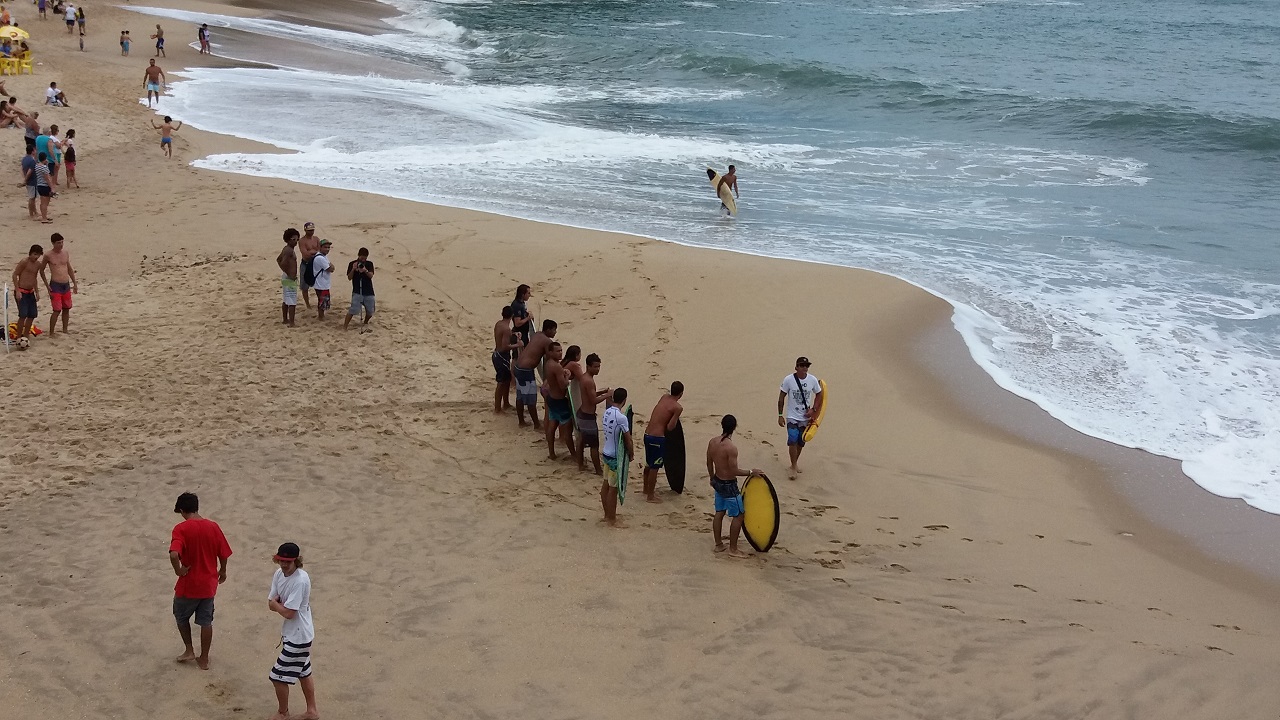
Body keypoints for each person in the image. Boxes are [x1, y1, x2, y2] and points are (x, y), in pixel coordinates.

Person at [169, 492, 232, 671]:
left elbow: (174, 554)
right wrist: (223, 570)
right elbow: (224, 553)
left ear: (182, 510)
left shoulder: (181, 529)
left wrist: (178, 570)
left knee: (181, 616)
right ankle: (204, 659)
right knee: (206, 621)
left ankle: (189, 650)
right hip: (208, 584)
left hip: (188, 585)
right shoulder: (213, 526)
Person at [266, 542, 318, 720]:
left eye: (287, 561)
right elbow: (271, 603)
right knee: (304, 672)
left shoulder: (300, 580)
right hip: (292, 633)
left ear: (296, 560)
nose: (283, 564)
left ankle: (283, 712)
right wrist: (277, 605)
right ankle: (312, 711)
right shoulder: (279, 574)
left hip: (299, 636)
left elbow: (288, 612)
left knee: (277, 676)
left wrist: (277, 605)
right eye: (281, 560)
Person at [707, 415, 760, 558]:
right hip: (729, 485)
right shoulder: (731, 448)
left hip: (717, 481)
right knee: (739, 515)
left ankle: (718, 545)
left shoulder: (712, 442)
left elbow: (709, 462)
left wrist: (712, 478)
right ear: (734, 427)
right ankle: (733, 549)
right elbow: (734, 471)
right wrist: (751, 472)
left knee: (719, 512)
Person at [778, 356, 823, 479]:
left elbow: (819, 394)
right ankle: (793, 466)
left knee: (801, 442)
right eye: (802, 366)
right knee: (792, 439)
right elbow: (781, 397)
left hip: (805, 417)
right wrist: (780, 415)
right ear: (796, 367)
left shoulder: (812, 380)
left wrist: (813, 410)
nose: (805, 368)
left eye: (807, 366)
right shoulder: (789, 380)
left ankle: (795, 463)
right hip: (792, 416)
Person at [642, 381, 684, 503]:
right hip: (657, 438)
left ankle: (645, 489)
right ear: (681, 394)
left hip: (647, 434)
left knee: (648, 463)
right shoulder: (677, 407)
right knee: (655, 466)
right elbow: (670, 427)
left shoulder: (664, 397)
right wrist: (675, 417)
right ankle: (650, 496)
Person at [513, 319, 558, 428]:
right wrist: (548, 379)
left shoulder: (537, 334)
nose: (555, 332)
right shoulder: (547, 342)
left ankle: (521, 421)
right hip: (526, 370)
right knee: (531, 398)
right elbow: (549, 359)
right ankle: (537, 424)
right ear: (548, 330)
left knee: (520, 396)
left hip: (518, 366)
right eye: (554, 330)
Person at [574, 353, 611, 475]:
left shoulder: (584, 378)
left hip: (582, 413)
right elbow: (593, 400)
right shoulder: (589, 381)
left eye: (599, 366)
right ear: (588, 366)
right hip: (588, 417)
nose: (598, 369)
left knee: (581, 440)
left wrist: (602, 392)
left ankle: (580, 464)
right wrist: (607, 395)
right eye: (595, 367)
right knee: (594, 445)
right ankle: (598, 470)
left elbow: (591, 394)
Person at [599, 388, 631, 528]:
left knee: (606, 484)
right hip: (614, 457)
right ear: (624, 400)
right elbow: (627, 439)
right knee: (613, 488)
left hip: (606, 452)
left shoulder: (607, 412)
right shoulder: (621, 418)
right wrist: (632, 453)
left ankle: (607, 515)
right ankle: (611, 519)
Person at [541, 341, 576, 460]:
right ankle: (574, 454)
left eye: (561, 350)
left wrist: (562, 373)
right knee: (567, 430)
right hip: (560, 401)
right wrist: (567, 376)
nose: (560, 353)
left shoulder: (549, 363)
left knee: (552, 425)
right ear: (550, 352)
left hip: (551, 398)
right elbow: (563, 386)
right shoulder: (556, 366)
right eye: (557, 351)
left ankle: (551, 452)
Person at [38, 233, 77, 335]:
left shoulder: (65, 253)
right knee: (56, 310)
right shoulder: (48, 255)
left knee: (66, 308)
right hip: (55, 285)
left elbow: (69, 268)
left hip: (66, 284)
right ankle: (51, 332)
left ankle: (65, 329)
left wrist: (74, 283)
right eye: (58, 243)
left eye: (62, 242)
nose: (61, 245)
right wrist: (47, 286)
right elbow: (41, 271)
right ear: (53, 243)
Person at [491, 305, 521, 413]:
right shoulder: (506, 329)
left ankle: (506, 403)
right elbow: (505, 346)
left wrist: (513, 334)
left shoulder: (499, 324)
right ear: (512, 316)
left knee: (506, 380)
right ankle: (497, 408)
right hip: (501, 356)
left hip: (497, 354)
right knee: (501, 381)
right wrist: (518, 345)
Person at [11, 244, 42, 342]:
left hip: (30, 291)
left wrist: (37, 292)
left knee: (32, 314)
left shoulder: (38, 264)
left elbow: (34, 278)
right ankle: (19, 336)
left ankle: (26, 335)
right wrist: (17, 290)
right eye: (35, 254)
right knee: (23, 315)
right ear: (30, 253)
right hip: (22, 291)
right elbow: (15, 274)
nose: (36, 257)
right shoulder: (24, 262)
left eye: (38, 255)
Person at [343, 246, 375, 331]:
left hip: (369, 291)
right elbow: (349, 277)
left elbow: (371, 275)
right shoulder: (352, 263)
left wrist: (365, 270)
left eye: (365, 258)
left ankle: (365, 322)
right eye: (362, 257)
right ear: (358, 255)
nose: (363, 260)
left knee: (370, 311)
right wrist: (353, 269)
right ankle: (345, 326)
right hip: (357, 291)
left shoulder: (369, 264)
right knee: (353, 310)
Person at [276, 228, 299, 327]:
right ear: (288, 239)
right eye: (293, 240)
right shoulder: (289, 250)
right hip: (290, 278)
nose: (296, 242)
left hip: (287, 276)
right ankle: (292, 322)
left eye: (297, 240)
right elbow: (283, 262)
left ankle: (285, 319)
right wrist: (289, 273)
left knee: (286, 299)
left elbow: (278, 259)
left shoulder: (286, 249)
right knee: (292, 301)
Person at [297, 222, 318, 309]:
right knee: (304, 286)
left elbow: (320, 252)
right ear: (305, 230)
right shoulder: (302, 241)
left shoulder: (316, 239)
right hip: (305, 264)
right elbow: (305, 254)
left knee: (318, 284)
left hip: (315, 264)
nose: (311, 232)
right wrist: (314, 252)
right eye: (309, 230)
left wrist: (313, 252)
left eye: (312, 230)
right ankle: (307, 304)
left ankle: (319, 301)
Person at [311, 239, 333, 320]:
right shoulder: (320, 258)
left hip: (323, 283)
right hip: (321, 283)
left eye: (328, 247)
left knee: (323, 300)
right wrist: (331, 266)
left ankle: (321, 315)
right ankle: (321, 316)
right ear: (320, 247)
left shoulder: (323, 257)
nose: (327, 249)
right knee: (322, 300)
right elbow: (330, 268)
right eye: (325, 247)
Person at [33, 151, 54, 223]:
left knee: (43, 202)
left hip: (39, 185)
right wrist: (52, 188)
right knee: (45, 203)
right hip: (45, 186)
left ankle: (44, 216)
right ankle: (44, 218)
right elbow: (47, 178)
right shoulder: (44, 168)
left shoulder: (37, 166)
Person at [20, 144, 38, 221]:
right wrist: (25, 180)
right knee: (32, 198)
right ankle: (31, 213)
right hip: (32, 181)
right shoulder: (32, 161)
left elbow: (21, 169)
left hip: (29, 181)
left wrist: (24, 178)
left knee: (32, 197)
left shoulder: (24, 159)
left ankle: (35, 212)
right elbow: (30, 172)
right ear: (32, 151)